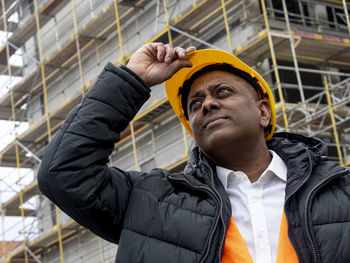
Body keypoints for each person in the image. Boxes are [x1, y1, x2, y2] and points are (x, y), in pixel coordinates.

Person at [37, 42, 350, 263]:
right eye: (195, 104)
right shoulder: (152, 202)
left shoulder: (342, 191)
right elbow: (63, 172)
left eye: (222, 92)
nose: (208, 104)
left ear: (263, 113)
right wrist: (132, 80)